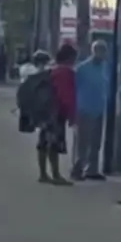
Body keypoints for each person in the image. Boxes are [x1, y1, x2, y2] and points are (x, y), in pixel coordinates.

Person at [71, 39, 110, 181]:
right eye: (99, 50)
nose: (101, 54)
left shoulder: (105, 67)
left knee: (95, 143)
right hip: (84, 109)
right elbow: (73, 89)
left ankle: (92, 170)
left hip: (99, 109)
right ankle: (77, 169)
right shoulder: (82, 68)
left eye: (103, 51)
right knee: (82, 142)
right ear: (93, 51)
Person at [40, 43, 78, 185]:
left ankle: (43, 174)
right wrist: (72, 115)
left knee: (43, 142)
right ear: (69, 58)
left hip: (45, 111)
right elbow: (66, 95)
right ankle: (56, 175)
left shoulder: (51, 69)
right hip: (56, 113)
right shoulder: (66, 73)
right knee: (54, 144)